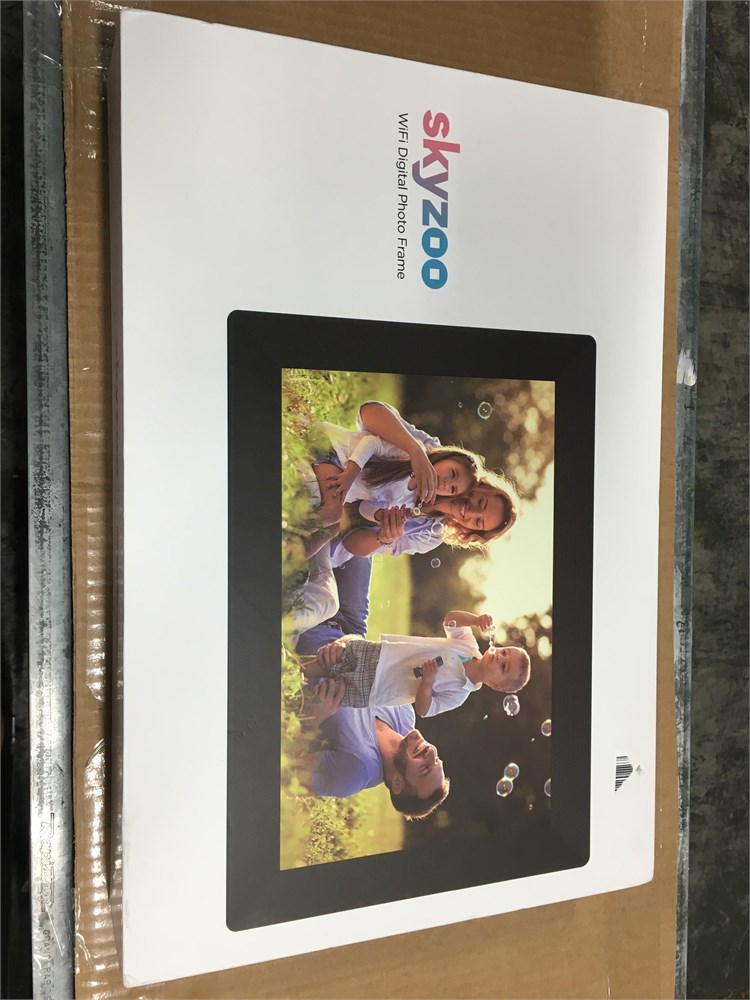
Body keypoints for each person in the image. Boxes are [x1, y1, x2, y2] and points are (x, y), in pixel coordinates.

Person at [302, 401, 519, 567]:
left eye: (478, 522)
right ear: (479, 486)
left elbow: (354, 540)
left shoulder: (430, 534)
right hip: (336, 467)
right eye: (480, 503)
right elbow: (368, 413)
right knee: (326, 516)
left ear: (473, 530)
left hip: (346, 532)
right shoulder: (433, 456)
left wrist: (383, 537)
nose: (472, 512)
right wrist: (415, 450)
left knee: (348, 607)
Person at [301, 611, 531, 717]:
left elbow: (424, 709)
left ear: (496, 685)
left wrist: (427, 683)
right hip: (381, 654)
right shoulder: (468, 646)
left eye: (504, 667)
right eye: (505, 652)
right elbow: (450, 619)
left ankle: (292, 696)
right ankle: (291, 668)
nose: (500, 658)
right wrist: (475, 620)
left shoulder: (459, 693)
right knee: (327, 662)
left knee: (324, 694)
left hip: (376, 688)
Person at [298, 675, 450, 820]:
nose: (431, 751)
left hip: (294, 676)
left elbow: (288, 774)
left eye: (424, 768)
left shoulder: (355, 770)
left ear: (398, 782)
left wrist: (310, 719)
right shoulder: (405, 713)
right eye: (437, 759)